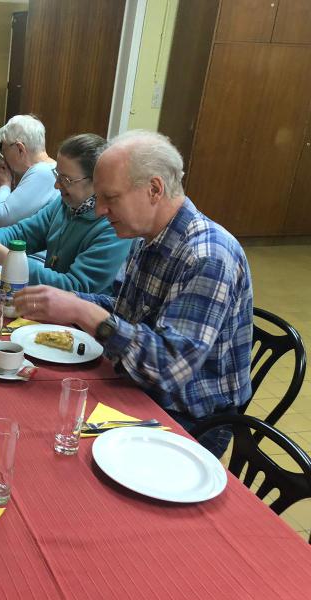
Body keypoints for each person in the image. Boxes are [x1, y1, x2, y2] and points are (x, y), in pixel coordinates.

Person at [14, 130, 253, 456]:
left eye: (110, 198)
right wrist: (68, 301)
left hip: (188, 418)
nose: (99, 211)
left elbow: (167, 369)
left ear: (154, 189)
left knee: (53, 442)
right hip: (138, 383)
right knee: (31, 414)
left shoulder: (208, 256)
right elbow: (125, 311)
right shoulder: (148, 236)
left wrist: (85, 313)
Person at [0, 134, 131, 294]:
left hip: (75, 322)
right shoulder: (65, 204)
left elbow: (74, 288)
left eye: (66, 180)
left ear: (97, 181)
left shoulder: (113, 227)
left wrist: (3, 256)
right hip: (48, 304)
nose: (56, 185)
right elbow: (23, 233)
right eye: (57, 175)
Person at [0, 115, 60, 228]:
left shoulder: (42, 173)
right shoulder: (48, 167)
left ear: (20, 149)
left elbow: (0, 220)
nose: (4, 160)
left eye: (4, 153)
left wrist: (4, 184)